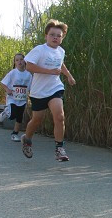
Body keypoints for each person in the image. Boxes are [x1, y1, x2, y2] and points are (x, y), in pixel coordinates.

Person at [21, 20, 76, 161]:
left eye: (59, 35)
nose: (55, 37)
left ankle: (59, 149)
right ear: (46, 36)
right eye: (52, 35)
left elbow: (60, 64)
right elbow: (29, 66)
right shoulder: (39, 50)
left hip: (55, 88)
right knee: (37, 120)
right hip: (39, 91)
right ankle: (27, 140)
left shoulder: (61, 51)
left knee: (60, 117)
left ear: (62, 37)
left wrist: (69, 76)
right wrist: (49, 71)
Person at [0, 52, 32, 141]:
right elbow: (3, 83)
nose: (19, 62)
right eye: (17, 60)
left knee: (19, 117)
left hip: (22, 99)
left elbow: (30, 87)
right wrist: (7, 90)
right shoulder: (12, 73)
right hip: (12, 98)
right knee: (13, 115)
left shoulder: (28, 74)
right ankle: (6, 112)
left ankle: (14, 134)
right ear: (15, 63)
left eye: (21, 59)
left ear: (25, 61)